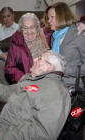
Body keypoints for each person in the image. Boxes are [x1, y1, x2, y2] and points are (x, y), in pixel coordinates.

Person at [0, 50, 71, 140]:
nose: (34, 59)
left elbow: (44, 133)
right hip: (2, 127)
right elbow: (10, 92)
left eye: (40, 58)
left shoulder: (56, 92)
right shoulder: (31, 80)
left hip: (11, 134)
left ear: (49, 67)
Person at [43, 2, 85, 140]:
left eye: (52, 17)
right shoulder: (55, 35)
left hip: (74, 91)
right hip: (56, 90)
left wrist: (64, 69)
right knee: (58, 129)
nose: (49, 21)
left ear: (62, 16)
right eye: (48, 18)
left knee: (74, 129)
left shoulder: (79, 34)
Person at [5, 13, 50, 84]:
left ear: (37, 27)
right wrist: (25, 79)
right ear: (21, 29)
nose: (29, 31)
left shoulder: (46, 37)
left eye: (32, 27)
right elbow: (9, 68)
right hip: (26, 84)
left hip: (47, 82)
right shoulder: (15, 42)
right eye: (25, 28)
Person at [0, 7, 19, 85]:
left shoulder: (19, 29)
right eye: (4, 17)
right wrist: (1, 55)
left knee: (16, 84)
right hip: (3, 61)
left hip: (17, 63)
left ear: (13, 16)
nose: (6, 19)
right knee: (4, 85)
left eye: (8, 16)